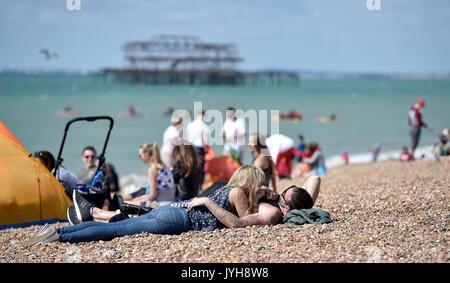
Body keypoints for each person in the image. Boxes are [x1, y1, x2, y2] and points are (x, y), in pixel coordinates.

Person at [123, 142, 175, 208]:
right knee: (138, 198)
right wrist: (142, 197)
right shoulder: (165, 166)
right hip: (171, 200)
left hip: (161, 203)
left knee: (126, 203)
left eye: (140, 155)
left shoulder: (152, 170)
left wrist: (138, 200)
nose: (140, 158)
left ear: (147, 155)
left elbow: (153, 195)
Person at [186, 111, 209, 187]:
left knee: (191, 166)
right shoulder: (204, 125)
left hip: (191, 147)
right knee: (200, 167)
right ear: (203, 116)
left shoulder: (190, 125)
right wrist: (208, 147)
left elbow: (187, 138)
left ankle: (190, 184)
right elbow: (205, 140)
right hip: (199, 148)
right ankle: (199, 186)